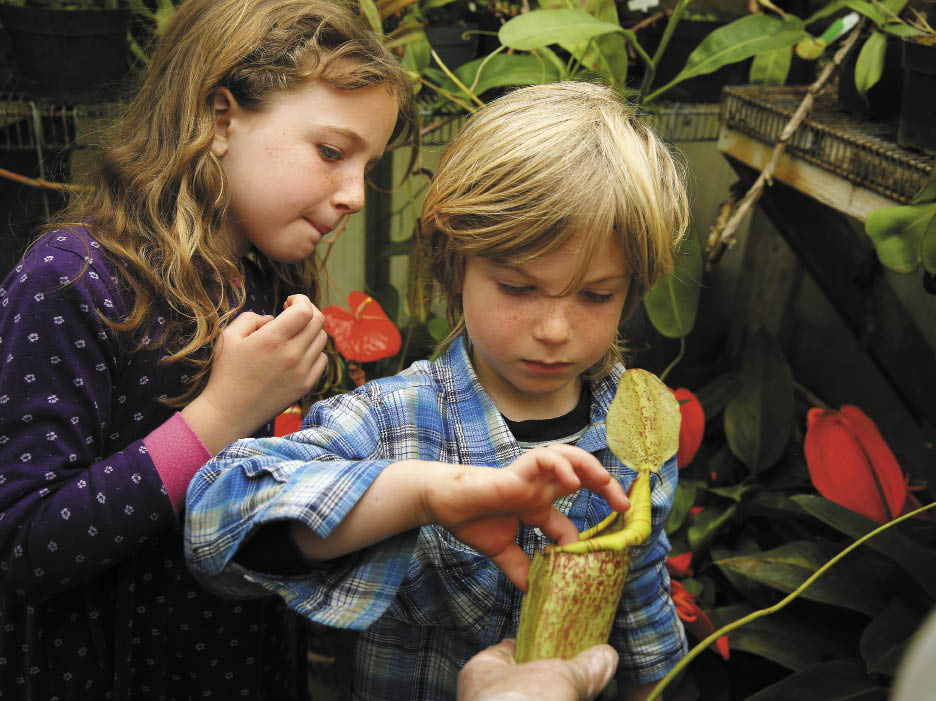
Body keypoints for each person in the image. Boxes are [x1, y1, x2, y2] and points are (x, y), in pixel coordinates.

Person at [185, 80, 691, 700]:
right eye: (518, 287)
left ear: (631, 290)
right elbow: (214, 521)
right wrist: (419, 494)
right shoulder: (398, 422)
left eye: (595, 294)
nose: (555, 329)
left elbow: (641, 595)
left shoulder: (635, 433)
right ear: (456, 268)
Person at [0, 0, 418, 698]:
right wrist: (221, 412)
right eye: (332, 152)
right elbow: (23, 546)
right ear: (222, 118)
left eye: (367, 165)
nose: (353, 195)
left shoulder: (261, 280)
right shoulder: (72, 278)